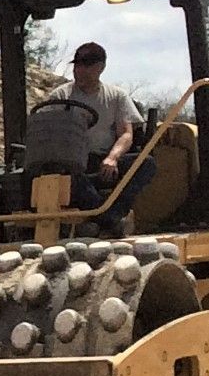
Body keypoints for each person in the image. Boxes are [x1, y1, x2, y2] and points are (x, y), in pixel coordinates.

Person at [49, 41, 156, 236]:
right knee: (62, 173)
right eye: (77, 65)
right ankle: (110, 220)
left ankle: (108, 216)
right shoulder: (60, 96)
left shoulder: (116, 96)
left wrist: (113, 157)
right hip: (72, 162)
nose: (79, 70)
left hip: (103, 160)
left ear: (101, 67)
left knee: (146, 164)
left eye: (86, 65)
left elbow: (126, 133)